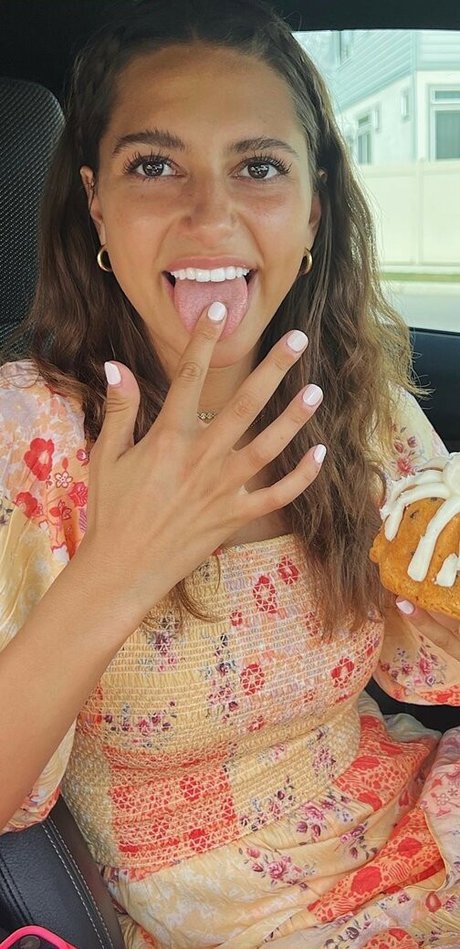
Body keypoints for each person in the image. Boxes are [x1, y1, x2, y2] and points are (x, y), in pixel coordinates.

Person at [1, 0, 460, 945]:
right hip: (233, 914)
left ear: (313, 206)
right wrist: (120, 568)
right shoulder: (30, 431)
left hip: (411, 817)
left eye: (258, 167)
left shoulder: (360, 404)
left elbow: (424, 659)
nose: (211, 215)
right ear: (95, 202)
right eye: (154, 165)